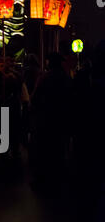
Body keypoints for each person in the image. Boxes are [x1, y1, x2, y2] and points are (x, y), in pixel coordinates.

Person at [30, 52, 73, 188]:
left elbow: (35, 98)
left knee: (44, 151)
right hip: (61, 119)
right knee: (59, 150)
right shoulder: (66, 78)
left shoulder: (44, 78)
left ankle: (43, 179)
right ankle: (59, 178)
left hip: (45, 119)